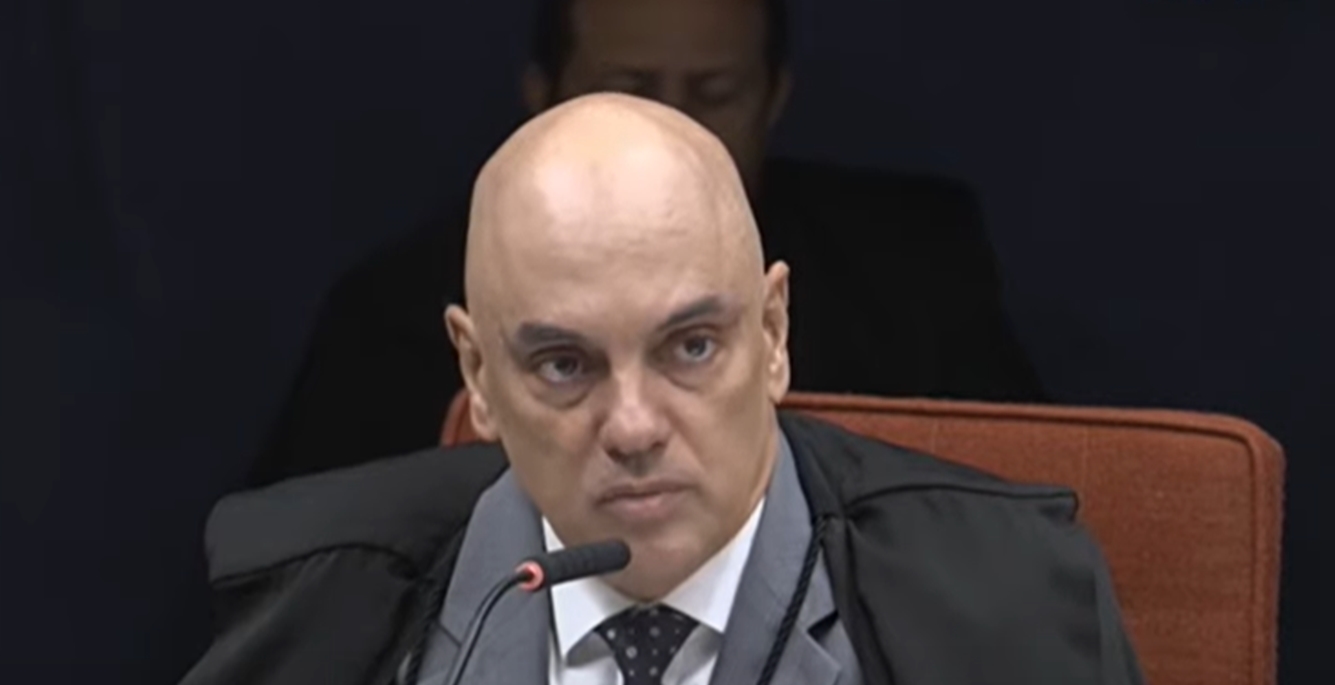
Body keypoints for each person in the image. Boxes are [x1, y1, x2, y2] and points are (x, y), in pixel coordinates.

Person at [155, 94, 1177, 685]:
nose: (635, 426)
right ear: (478, 374)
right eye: (564, 364)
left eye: (691, 347)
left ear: (773, 333)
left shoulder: (1009, 604)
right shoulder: (324, 618)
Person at [246, 0, 1044, 488]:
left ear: (772, 328)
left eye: (713, 93)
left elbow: (1018, 522)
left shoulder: (911, 272)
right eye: (627, 89)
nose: (670, 126)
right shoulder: (398, 312)